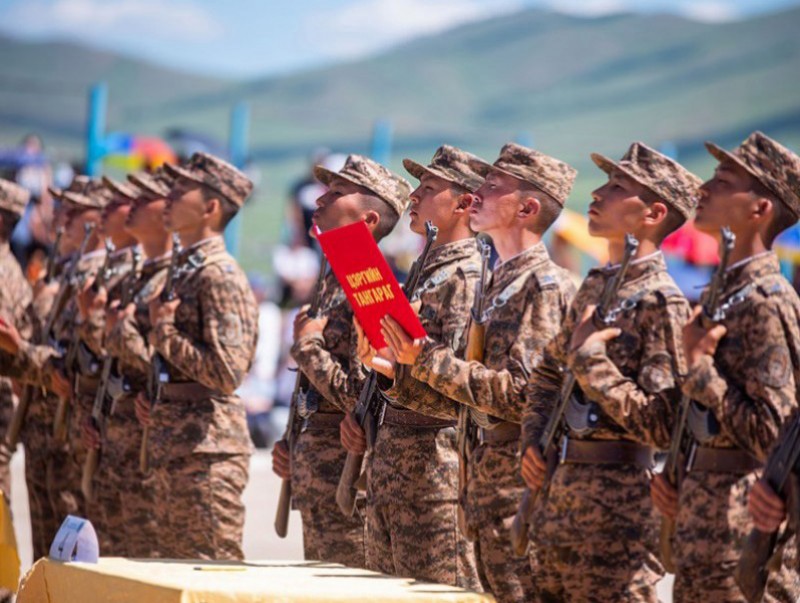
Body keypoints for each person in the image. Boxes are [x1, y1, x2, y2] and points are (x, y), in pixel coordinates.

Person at [382, 143, 577, 602]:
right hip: (482, 485)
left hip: (515, 490)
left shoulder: (542, 286)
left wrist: (425, 359)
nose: (479, 195)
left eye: (493, 187)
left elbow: (521, 394)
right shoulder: (497, 283)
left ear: (527, 208)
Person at [522, 142, 699, 601]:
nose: (597, 193)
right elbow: (546, 374)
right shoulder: (597, 286)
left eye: (618, 187)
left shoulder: (662, 303)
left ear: (653, 214)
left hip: (617, 525)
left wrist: (593, 366)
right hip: (557, 506)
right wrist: (534, 439)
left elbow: (664, 425)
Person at [650, 131, 800, 601]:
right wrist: (676, 470)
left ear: (760, 209)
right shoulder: (721, 294)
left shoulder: (767, 302)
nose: (703, 188)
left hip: (738, 536)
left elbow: (773, 434)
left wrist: (700, 373)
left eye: (724, 179)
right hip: (699, 526)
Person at [340, 145, 485, 589]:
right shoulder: (421, 271)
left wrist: (390, 375)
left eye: (428, 188)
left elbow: (458, 390)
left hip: (435, 475)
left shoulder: (467, 276)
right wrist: (374, 396)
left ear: (464, 204)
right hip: (394, 469)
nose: (414, 198)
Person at [271, 154, 409, 566]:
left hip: (348, 484)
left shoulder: (370, 279)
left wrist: (308, 347)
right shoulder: (337, 272)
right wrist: (292, 440)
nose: (319, 198)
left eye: (337, 192)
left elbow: (368, 395)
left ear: (368, 220)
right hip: (320, 473)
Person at [131, 153, 258, 560]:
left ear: (210, 207)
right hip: (177, 445)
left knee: (209, 577)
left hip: (207, 453)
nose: (168, 197)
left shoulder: (217, 274)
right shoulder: (185, 269)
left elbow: (226, 372)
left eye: (181, 189)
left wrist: (163, 331)